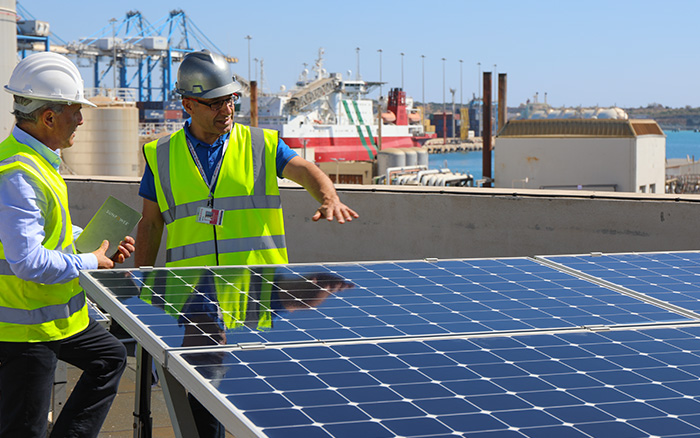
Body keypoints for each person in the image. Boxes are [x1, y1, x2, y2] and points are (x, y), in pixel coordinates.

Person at [135, 50, 358, 437]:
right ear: (188, 103)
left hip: (256, 294)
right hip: (195, 298)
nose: (227, 109)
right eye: (215, 102)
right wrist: (142, 289)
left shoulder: (260, 144)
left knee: (258, 403)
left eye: (231, 99)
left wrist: (328, 196)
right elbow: (150, 225)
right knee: (204, 397)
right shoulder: (161, 154)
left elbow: (305, 170)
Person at [0, 52, 136, 438]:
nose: (81, 119)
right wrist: (89, 262)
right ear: (48, 117)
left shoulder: (37, 162)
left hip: (56, 319)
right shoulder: (18, 175)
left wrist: (92, 243)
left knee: (110, 358)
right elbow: (27, 261)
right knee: (23, 430)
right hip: (24, 331)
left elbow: (45, 231)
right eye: (75, 111)